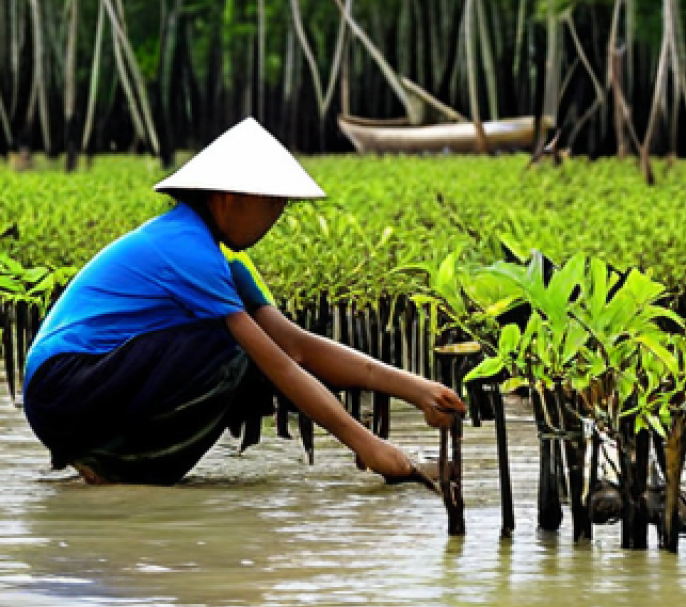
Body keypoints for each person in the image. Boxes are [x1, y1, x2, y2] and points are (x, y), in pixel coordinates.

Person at [22, 118, 465, 486]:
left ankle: (122, 470)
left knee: (249, 351)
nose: (277, 218)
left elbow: (299, 346)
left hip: (88, 384)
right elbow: (280, 364)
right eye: (272, 204)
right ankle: (110, 466)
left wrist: (417, 389)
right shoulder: (186, 248)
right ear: (230, 198)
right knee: (238, 347)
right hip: (64, 386)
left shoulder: (225, 264)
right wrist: (370, 447)